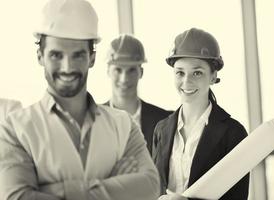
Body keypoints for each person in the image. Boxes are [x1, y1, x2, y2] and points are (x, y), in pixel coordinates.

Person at [0, 0, 159, 200]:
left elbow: (150, 186)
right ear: (40, 56)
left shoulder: (124, 124)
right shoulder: (15, 129)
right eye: (56, 55)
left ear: (92, 58)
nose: (67, 67)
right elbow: (17, 197)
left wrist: (54, 191)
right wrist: (115, 186)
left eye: (78, 55)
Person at [152, 28, 249, 200]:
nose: (186, 82)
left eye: (197, 72)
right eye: (180, 72)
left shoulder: (234, 133)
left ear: (213, 76)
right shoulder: (161, 130)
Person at [104, 34, 172, 152]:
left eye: (131, 70)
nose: (124, 79)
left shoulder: (165, 121)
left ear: (141, 72)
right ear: (108, 72)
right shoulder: (92, 119)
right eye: (118, 70)